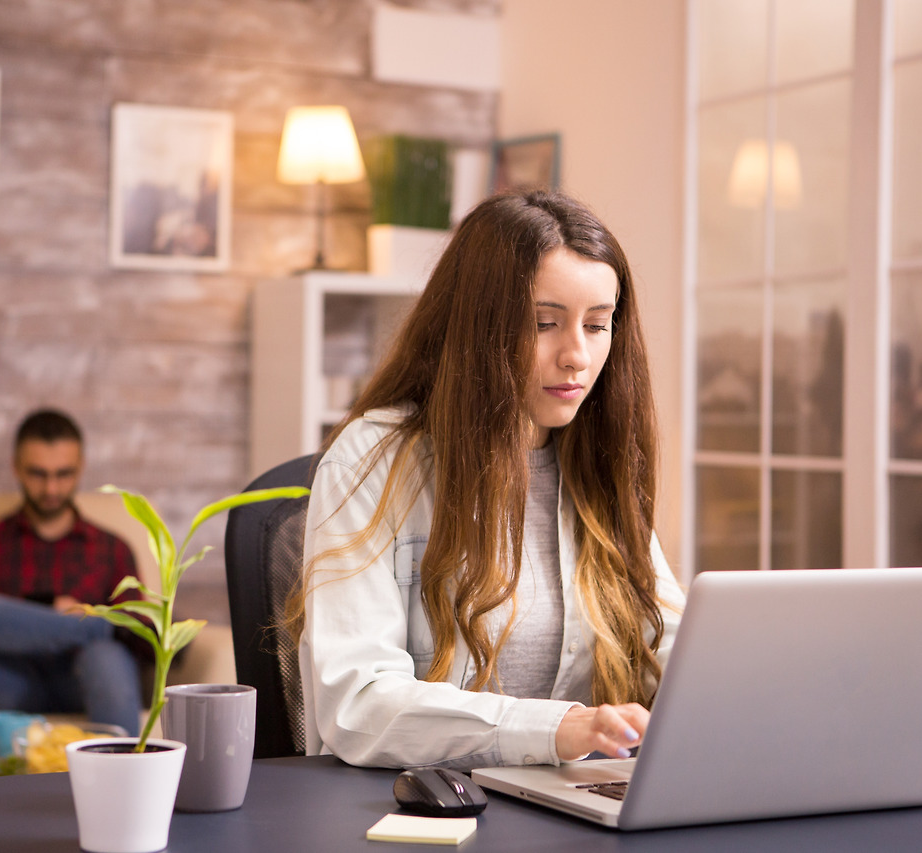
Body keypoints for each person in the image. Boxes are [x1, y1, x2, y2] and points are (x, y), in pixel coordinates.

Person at [292, 190, 687, 770]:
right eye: (544, 323)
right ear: (480, 327)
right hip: (419, 813)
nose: (577, 355)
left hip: (567, 806)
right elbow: (358, 703)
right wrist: (560, 729)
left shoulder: (597, 465)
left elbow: (666, 637)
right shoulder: (372, 462)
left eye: (598, 325)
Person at [0, 408, 143, 736]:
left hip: (82, 680)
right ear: (16, 468)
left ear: (81, 467)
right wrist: (36, 626)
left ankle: (124, 775)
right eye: (38, 474)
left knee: (110, 655)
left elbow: (136, 654)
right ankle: (101, 626)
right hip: (7, 684)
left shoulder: (113, 549)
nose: (52, 488)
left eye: (64, 474)